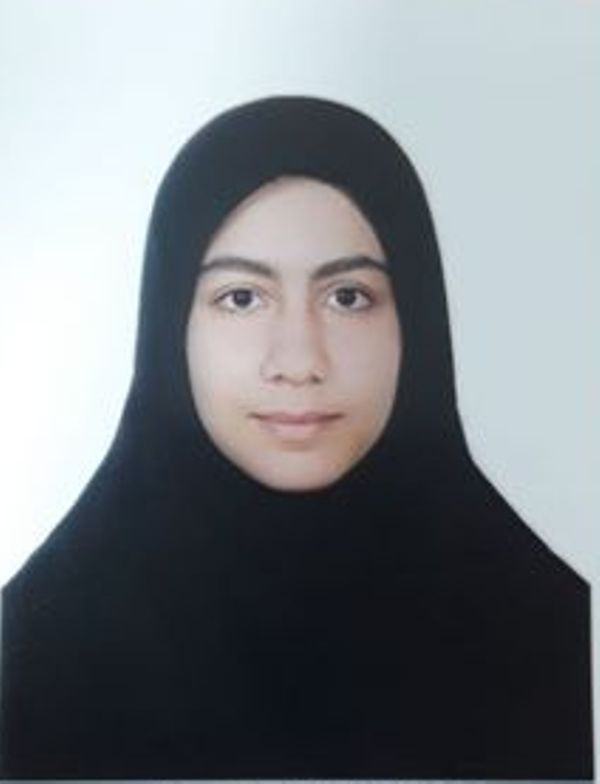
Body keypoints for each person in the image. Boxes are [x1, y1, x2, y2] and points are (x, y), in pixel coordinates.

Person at [1, 96, 593, 779]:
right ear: (170, 329)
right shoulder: (41, 652)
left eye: (347, 297)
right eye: (241, 298)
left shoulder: (551, 633)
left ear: (417, 325)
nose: (299, 360)